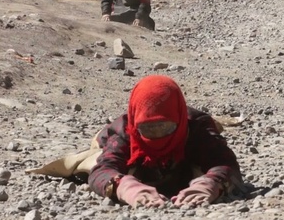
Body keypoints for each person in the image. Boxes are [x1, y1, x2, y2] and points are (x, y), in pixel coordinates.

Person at [87, 75, 243, 208]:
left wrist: (212, 183)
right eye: (148, 129)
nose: (157, 136)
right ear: (136, 125)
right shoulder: (124, 132)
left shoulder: (198, 128)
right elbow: (102, 169)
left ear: (180, 121)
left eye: (165, 127)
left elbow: (226, 163)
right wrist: (125, 187)